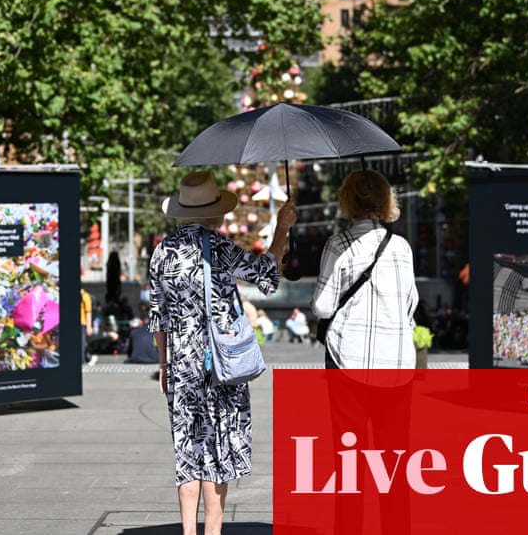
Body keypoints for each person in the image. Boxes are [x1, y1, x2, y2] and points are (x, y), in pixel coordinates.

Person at [148, 170, 296, 535]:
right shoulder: (221, 248)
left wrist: (164, 365)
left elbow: (158, 318)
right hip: (222, 366)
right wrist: (281, 230)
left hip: (181, 366)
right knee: (219, 451)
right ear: (216, 211)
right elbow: (266, 277)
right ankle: (212, 532)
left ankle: (188, 531)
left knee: (187, 452)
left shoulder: (161, 253)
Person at [310, 169, 417, 535]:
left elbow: (322, 308)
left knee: (350, 463)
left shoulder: (339, 245)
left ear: (348, 201)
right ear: (387, 202)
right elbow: (410, 303)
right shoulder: (401, 247)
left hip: (349, 364)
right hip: (397, 367)